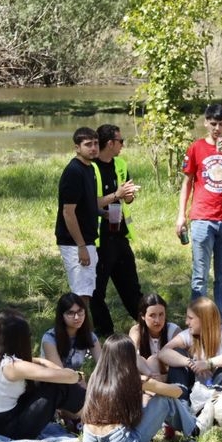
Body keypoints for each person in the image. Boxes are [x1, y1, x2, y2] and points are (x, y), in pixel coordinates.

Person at [0, 311, 86, 441]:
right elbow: (63, 377)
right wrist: (78, 376)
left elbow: (39, 362)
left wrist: (46, 363)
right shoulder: (13, 366)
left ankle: (81, 419)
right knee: (57, 387)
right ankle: (91, 420)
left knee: (50, 382)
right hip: (10, 429)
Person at [176, 103, 222, 323]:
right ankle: (197, 320)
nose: (217, 128)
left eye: (221, 124)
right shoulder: (196, 148)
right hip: (202, 216)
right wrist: (181, 215)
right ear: (205, 123)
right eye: (213, 124)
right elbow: (187, 182)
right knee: (199, 275)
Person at [81, 335, 196, 442]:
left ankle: (186, 424)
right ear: (129, 357)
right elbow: (177, 392)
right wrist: (154, 384)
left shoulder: (95, 379)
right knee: (165, 399)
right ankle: (195, 429)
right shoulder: (135, 380)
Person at [90, 124, 142, 336]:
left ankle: (148, 324)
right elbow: (89, 204)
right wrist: (117, 195)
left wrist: (128, 195)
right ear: (110, 143)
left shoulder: (120, 163)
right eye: (121, 141)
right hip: (99, 239)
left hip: (120, 234)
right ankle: (105, 331)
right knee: (96, 290)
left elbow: (127, 197)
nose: (123, 145)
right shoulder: (90, 168)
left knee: (131, 287)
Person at [156, 297, 222, 393]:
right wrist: (190, 363)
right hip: (196, 388)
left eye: (190, 318)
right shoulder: (189, 334)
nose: (186, 322)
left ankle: (214, 400)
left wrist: (208, 364)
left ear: (204, 319)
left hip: (221, 387)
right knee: (178, 353)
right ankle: (181, 400)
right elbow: (163, 352)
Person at [55, 127, 101, 303]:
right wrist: (81, 246)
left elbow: (87, 203)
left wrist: (102, 212)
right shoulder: (74, 171)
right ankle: (77, 329)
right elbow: (68, 212)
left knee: (87, 293)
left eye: (96, 143)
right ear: (77, 147)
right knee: (81, 296)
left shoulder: (89, 168)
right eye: (88, 144)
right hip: (74, 243)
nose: (93, 148)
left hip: (87, 240)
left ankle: (82, 330)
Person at [40, 292, 100, 371]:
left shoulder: (89, 336)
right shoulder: (50, 338)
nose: (76, 317)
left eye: (80, 311)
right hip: (51, 381)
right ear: (62, 316)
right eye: (70, 313)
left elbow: (103, 365)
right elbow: (59, 373)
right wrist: (80, 378)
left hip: (74, 379)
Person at [129, 293, 180, 377]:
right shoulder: (137, 331)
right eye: (152, 315)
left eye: (161, 314)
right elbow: (130, 355)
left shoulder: (173, 331)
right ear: (143, 316)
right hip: (144, 376)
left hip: (169, 378)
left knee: (153, 360)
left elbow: (183, 360)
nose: (158, 320)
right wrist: (150, 374)